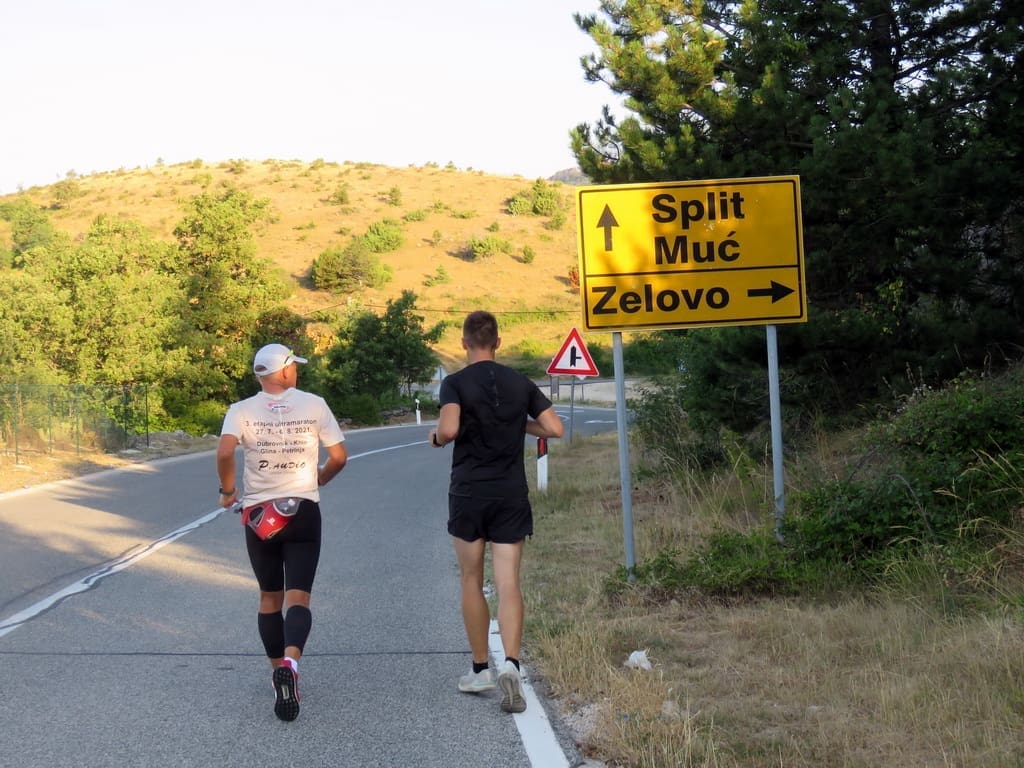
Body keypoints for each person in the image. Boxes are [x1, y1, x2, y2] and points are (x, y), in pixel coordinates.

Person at [429, 310, 564, 714]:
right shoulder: (520, 382)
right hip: (510, 494)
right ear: (498, 343)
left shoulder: (454, 383)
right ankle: (512, 663)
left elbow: (450, 429)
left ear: (464, 342)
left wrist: (436, 438)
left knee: (472, 577)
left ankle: (480, 669)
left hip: (469, 493)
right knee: (508, 582)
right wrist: (518, 425)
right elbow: (555, 428)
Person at [217, 343, 348, 722]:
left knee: (268, 599)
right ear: (287, 371)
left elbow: (225, 453)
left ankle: (278, 672)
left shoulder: (240, 411)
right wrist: (319, 478)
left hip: (261, 514)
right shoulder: (314, 404)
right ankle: (291, 664)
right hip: (302, 508)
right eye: (296, 367)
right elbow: (339, 456)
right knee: (299, 599)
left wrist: (228, 491)